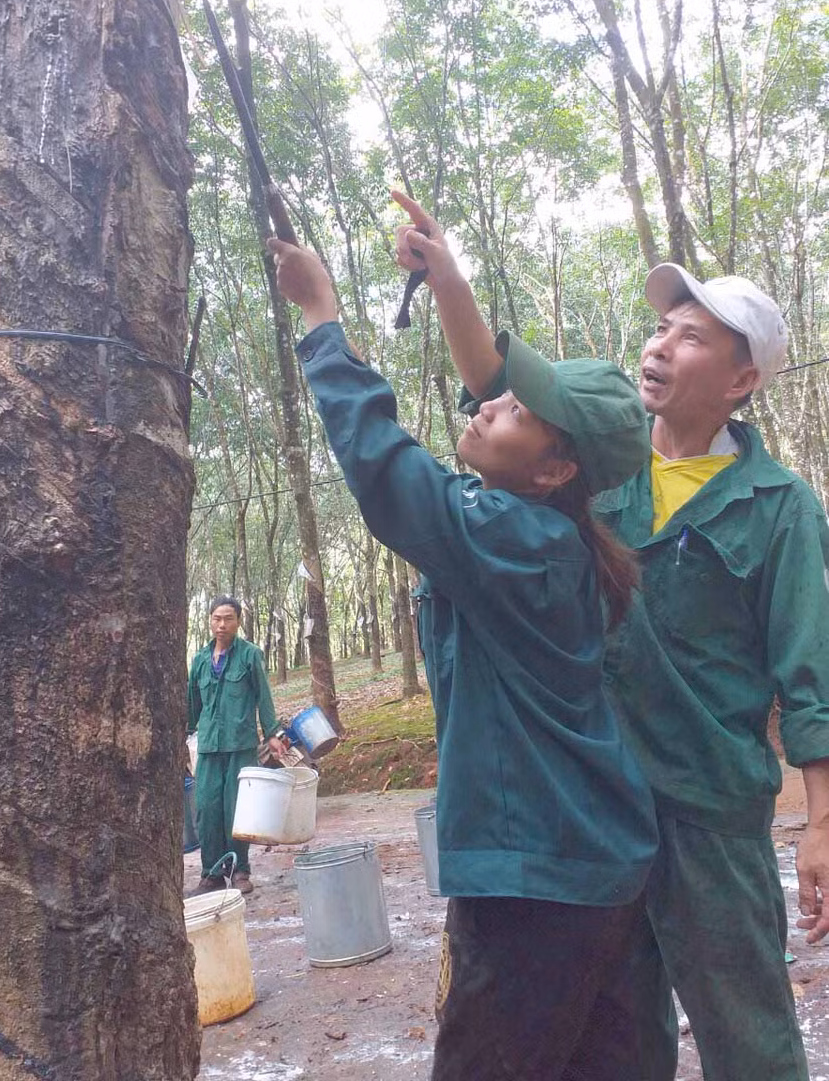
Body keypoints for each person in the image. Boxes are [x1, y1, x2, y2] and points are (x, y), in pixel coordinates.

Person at [392, 189, 829, 1080]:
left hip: (710, 811)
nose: (660, 345)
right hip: (597, 811)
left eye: (693, 337)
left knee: (749, 1034)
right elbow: (497, 384)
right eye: (663, 327)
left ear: (743, 380)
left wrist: (822, 823)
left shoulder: (780, 509)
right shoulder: (594, 468)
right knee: (621, 1038)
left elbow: (811, 676)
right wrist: (447, 277)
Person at [267, 229, 659, 1081]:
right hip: (593, 868)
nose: (483, 406)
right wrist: (444, 275)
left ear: (556, 470)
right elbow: (465, 412)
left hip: (536, 883)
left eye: (515, 410)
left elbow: (387, 470)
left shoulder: (513, 538)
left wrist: (321, 316)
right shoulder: (555, 538)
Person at [187, 595, 285, 896]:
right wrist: (185, 735)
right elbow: (193, 703)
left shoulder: (249, 655)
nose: (222, 624)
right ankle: (212, 873)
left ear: (238, 621)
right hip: (209, 748)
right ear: (209, 620)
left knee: (238, 810)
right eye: (217, 618)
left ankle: (240, 870)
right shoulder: (201, 660)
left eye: (228, 618)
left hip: (240, 744)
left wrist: (272, 732)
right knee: (206, 808)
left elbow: (263, 695)